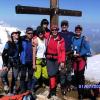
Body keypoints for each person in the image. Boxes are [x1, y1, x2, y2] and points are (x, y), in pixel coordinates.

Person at [71, 25, 91, 100]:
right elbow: (71, 46)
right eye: (77, 30)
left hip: (81, 59)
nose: (78, 31)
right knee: (76, 75)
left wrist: (80, 54)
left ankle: (81, 94)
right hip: (75, 60)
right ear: (75, 30)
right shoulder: (73, 38)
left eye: (79, 30)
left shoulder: (84, 39)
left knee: (80, 76)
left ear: (81, 31)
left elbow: (88, 49)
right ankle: (78, 88)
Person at [46, 25, 66, 99]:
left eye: (56, 30)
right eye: (53, 30)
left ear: (58, 30)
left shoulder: (61, 39)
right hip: (49, 59)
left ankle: (53, 90)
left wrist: (63, 61)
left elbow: (63, 51)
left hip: (57, 59)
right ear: (51, 30)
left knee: (54, 74)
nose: (54, 31)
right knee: (51, 75)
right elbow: (39, 33)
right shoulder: (48, 37)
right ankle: (52, 91)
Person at [31, 26, 48, 91]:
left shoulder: (45, 40)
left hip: (43, 60)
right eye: (39, 32)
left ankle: (42, 83)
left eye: (42, 32)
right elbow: (34, 53)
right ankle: (32, 89)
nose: (40, 33)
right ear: (37, 33)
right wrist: (34, 64)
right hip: (38, 60)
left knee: (46, 75)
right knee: (37, 75)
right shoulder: (35, 40)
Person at [59, 20, 74, 95]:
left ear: (67, 26)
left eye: (65, 25)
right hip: (61, 56)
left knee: (68, 71)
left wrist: (84, 38)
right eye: (63, 25)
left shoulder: (71, 34)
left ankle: (68, 85)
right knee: (62, 72)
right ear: (61, 26)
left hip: (69, 55)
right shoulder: (58, 34)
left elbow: (78, 37)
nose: (64, 26)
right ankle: (63, 87)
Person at [20, 27, 34, 93]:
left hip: (31, 61)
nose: (30, 34)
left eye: (31, 33)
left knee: (30, 75)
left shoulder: (34, 40)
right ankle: (22, 89)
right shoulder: (22, 40)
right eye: (29, 33)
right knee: (23, 75)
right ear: (26, 33)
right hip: (24, 61)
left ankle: (29, 88)